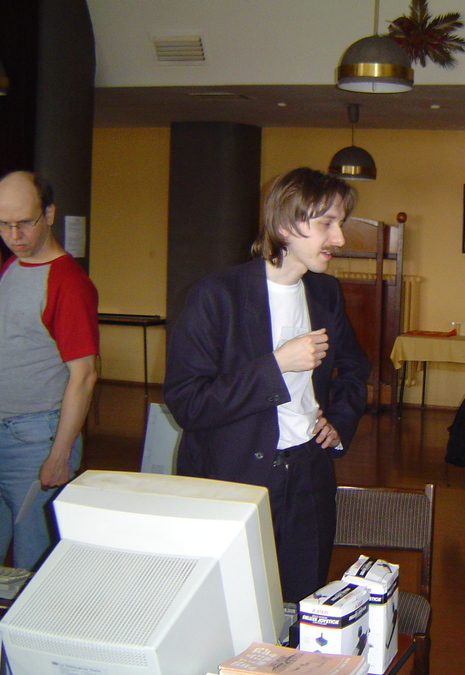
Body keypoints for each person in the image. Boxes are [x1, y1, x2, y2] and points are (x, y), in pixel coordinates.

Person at [163, 167, 370, 604]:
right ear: (283, 225)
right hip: (233, 478)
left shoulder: (325, 293)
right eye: (326, 224)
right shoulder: (216, 296)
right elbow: (187, 404)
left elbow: (355, 367)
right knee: (233, 605)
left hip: (309, 473)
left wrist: (341, 421)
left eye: (340, 224)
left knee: (301, 603)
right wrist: (275, 366)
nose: (339, 239)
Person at [0, 170, 99, 571]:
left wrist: (60, 454)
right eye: (4, 224)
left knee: (30, 569)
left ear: (50, 213)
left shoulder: (67, 282)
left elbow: (85, 375)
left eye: (25, 222)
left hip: (36, 439)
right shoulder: (9, 269)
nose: (14, 235)